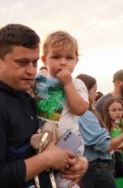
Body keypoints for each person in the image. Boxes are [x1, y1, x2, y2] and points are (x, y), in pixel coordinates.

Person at [0, 23, 88, 188]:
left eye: (34, 62)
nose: (31, 70)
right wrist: (47, 159)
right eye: (22, 62)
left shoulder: (24, 92)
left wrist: (79, 162)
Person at [34, 31, 89, 188]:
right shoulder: (38, 79)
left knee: (67, 180)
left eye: (69, 58)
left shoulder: (77, 84)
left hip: (69, 142)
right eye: (56, 57)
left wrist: (67, 84)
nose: (63, 62)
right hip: (44, 142)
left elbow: (80, 109)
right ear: (44, 59)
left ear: (76, 61)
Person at [77, 73, 123, 188]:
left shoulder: (87, 113)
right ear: (84, 91)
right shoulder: (85, 115)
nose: (96, 94)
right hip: (97, 170)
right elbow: (106, 146)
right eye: (94, 90)